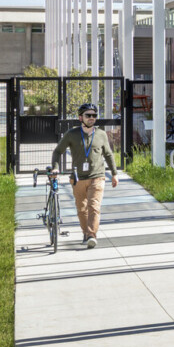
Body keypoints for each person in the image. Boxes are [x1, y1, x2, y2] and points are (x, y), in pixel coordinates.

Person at [48, 103, 118, 249]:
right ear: (81, 117)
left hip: (97, 176)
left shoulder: (101, 134)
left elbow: (109, 154)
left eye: (94, 115)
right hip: (77, 178)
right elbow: (57, 151)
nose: (92, 118)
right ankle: (86, 234)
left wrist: (114, 174)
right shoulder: (72, 134)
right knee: (82, 209)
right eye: (88, 115)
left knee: (94, 207)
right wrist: (55, 168)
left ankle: (92, 235)